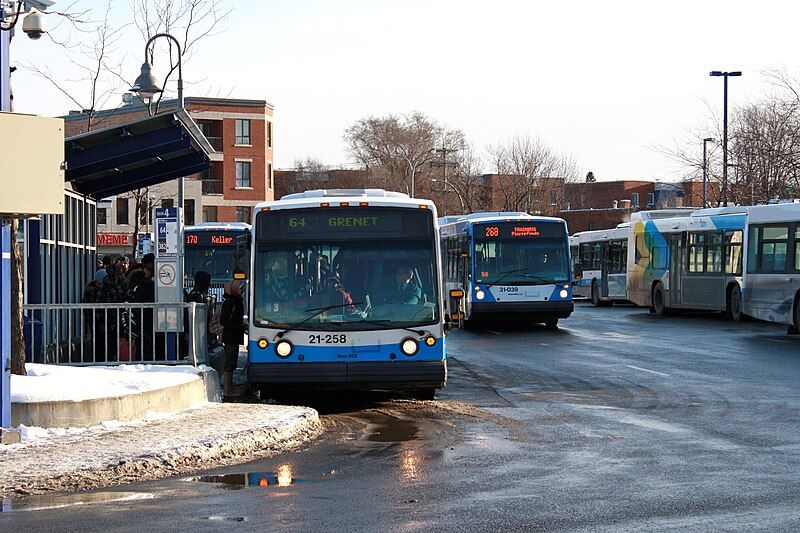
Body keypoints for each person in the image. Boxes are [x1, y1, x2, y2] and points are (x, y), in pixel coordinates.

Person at [219, 280, 246, 398]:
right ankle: (227, 390)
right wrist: (240, 326)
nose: (242, 290)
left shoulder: (236, 301)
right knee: (229, 363)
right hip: (230, 337)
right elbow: (224, 321)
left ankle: (229, 387)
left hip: (234, 336)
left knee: (232, 362)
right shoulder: (230, 303)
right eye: (240, 288)